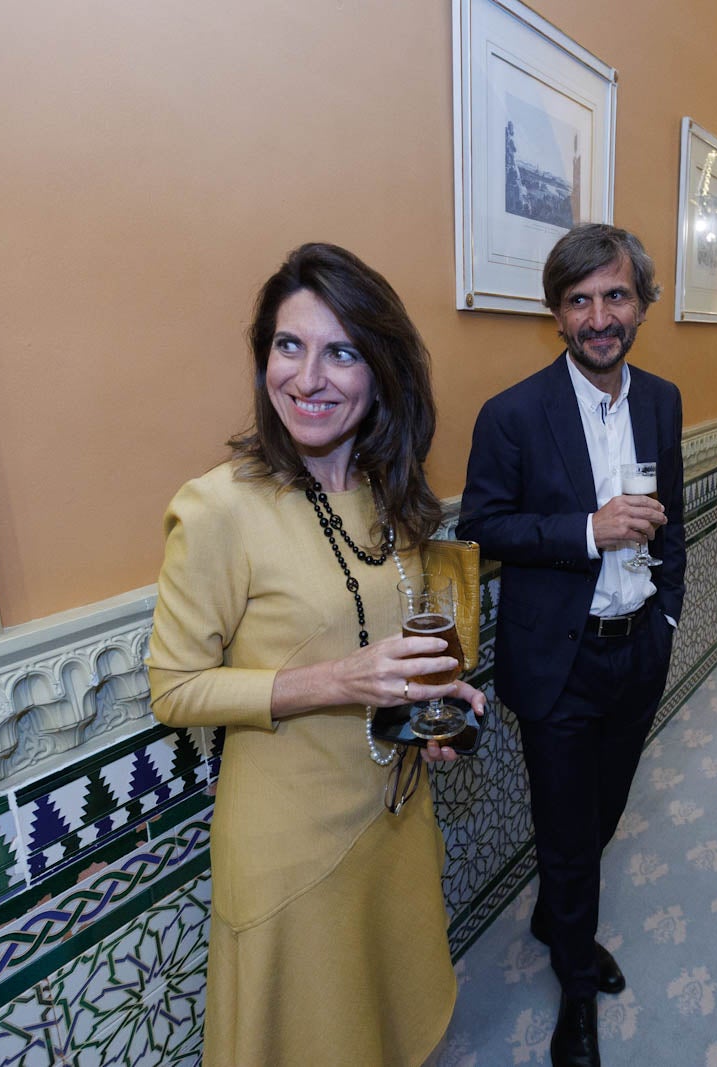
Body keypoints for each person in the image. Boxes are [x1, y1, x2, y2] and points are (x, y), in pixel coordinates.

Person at [146, 243, 487, 1066]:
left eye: (341, 351)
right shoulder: (218, 508)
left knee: (383, 1023)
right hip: (291, 846)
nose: (309, 377)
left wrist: (432, 709)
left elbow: (389, 635)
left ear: (380, 371)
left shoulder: (387, 488)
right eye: (288, 346)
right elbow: (175, 688)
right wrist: (338, 679)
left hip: (394, 818)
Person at [458, 223, 685, 1067]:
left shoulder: (660, 399)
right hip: (558, 659)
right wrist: (585, 530)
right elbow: (482, 528)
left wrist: (665, 618)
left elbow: (678, 522)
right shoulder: (513, 413)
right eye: (579, 300)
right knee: (565, 829)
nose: (599, 316)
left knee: (605, 813)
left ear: (642, 305)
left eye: (615, 295)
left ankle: (561, 915)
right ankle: (575, 986)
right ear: (556, 314)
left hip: (638, 650)